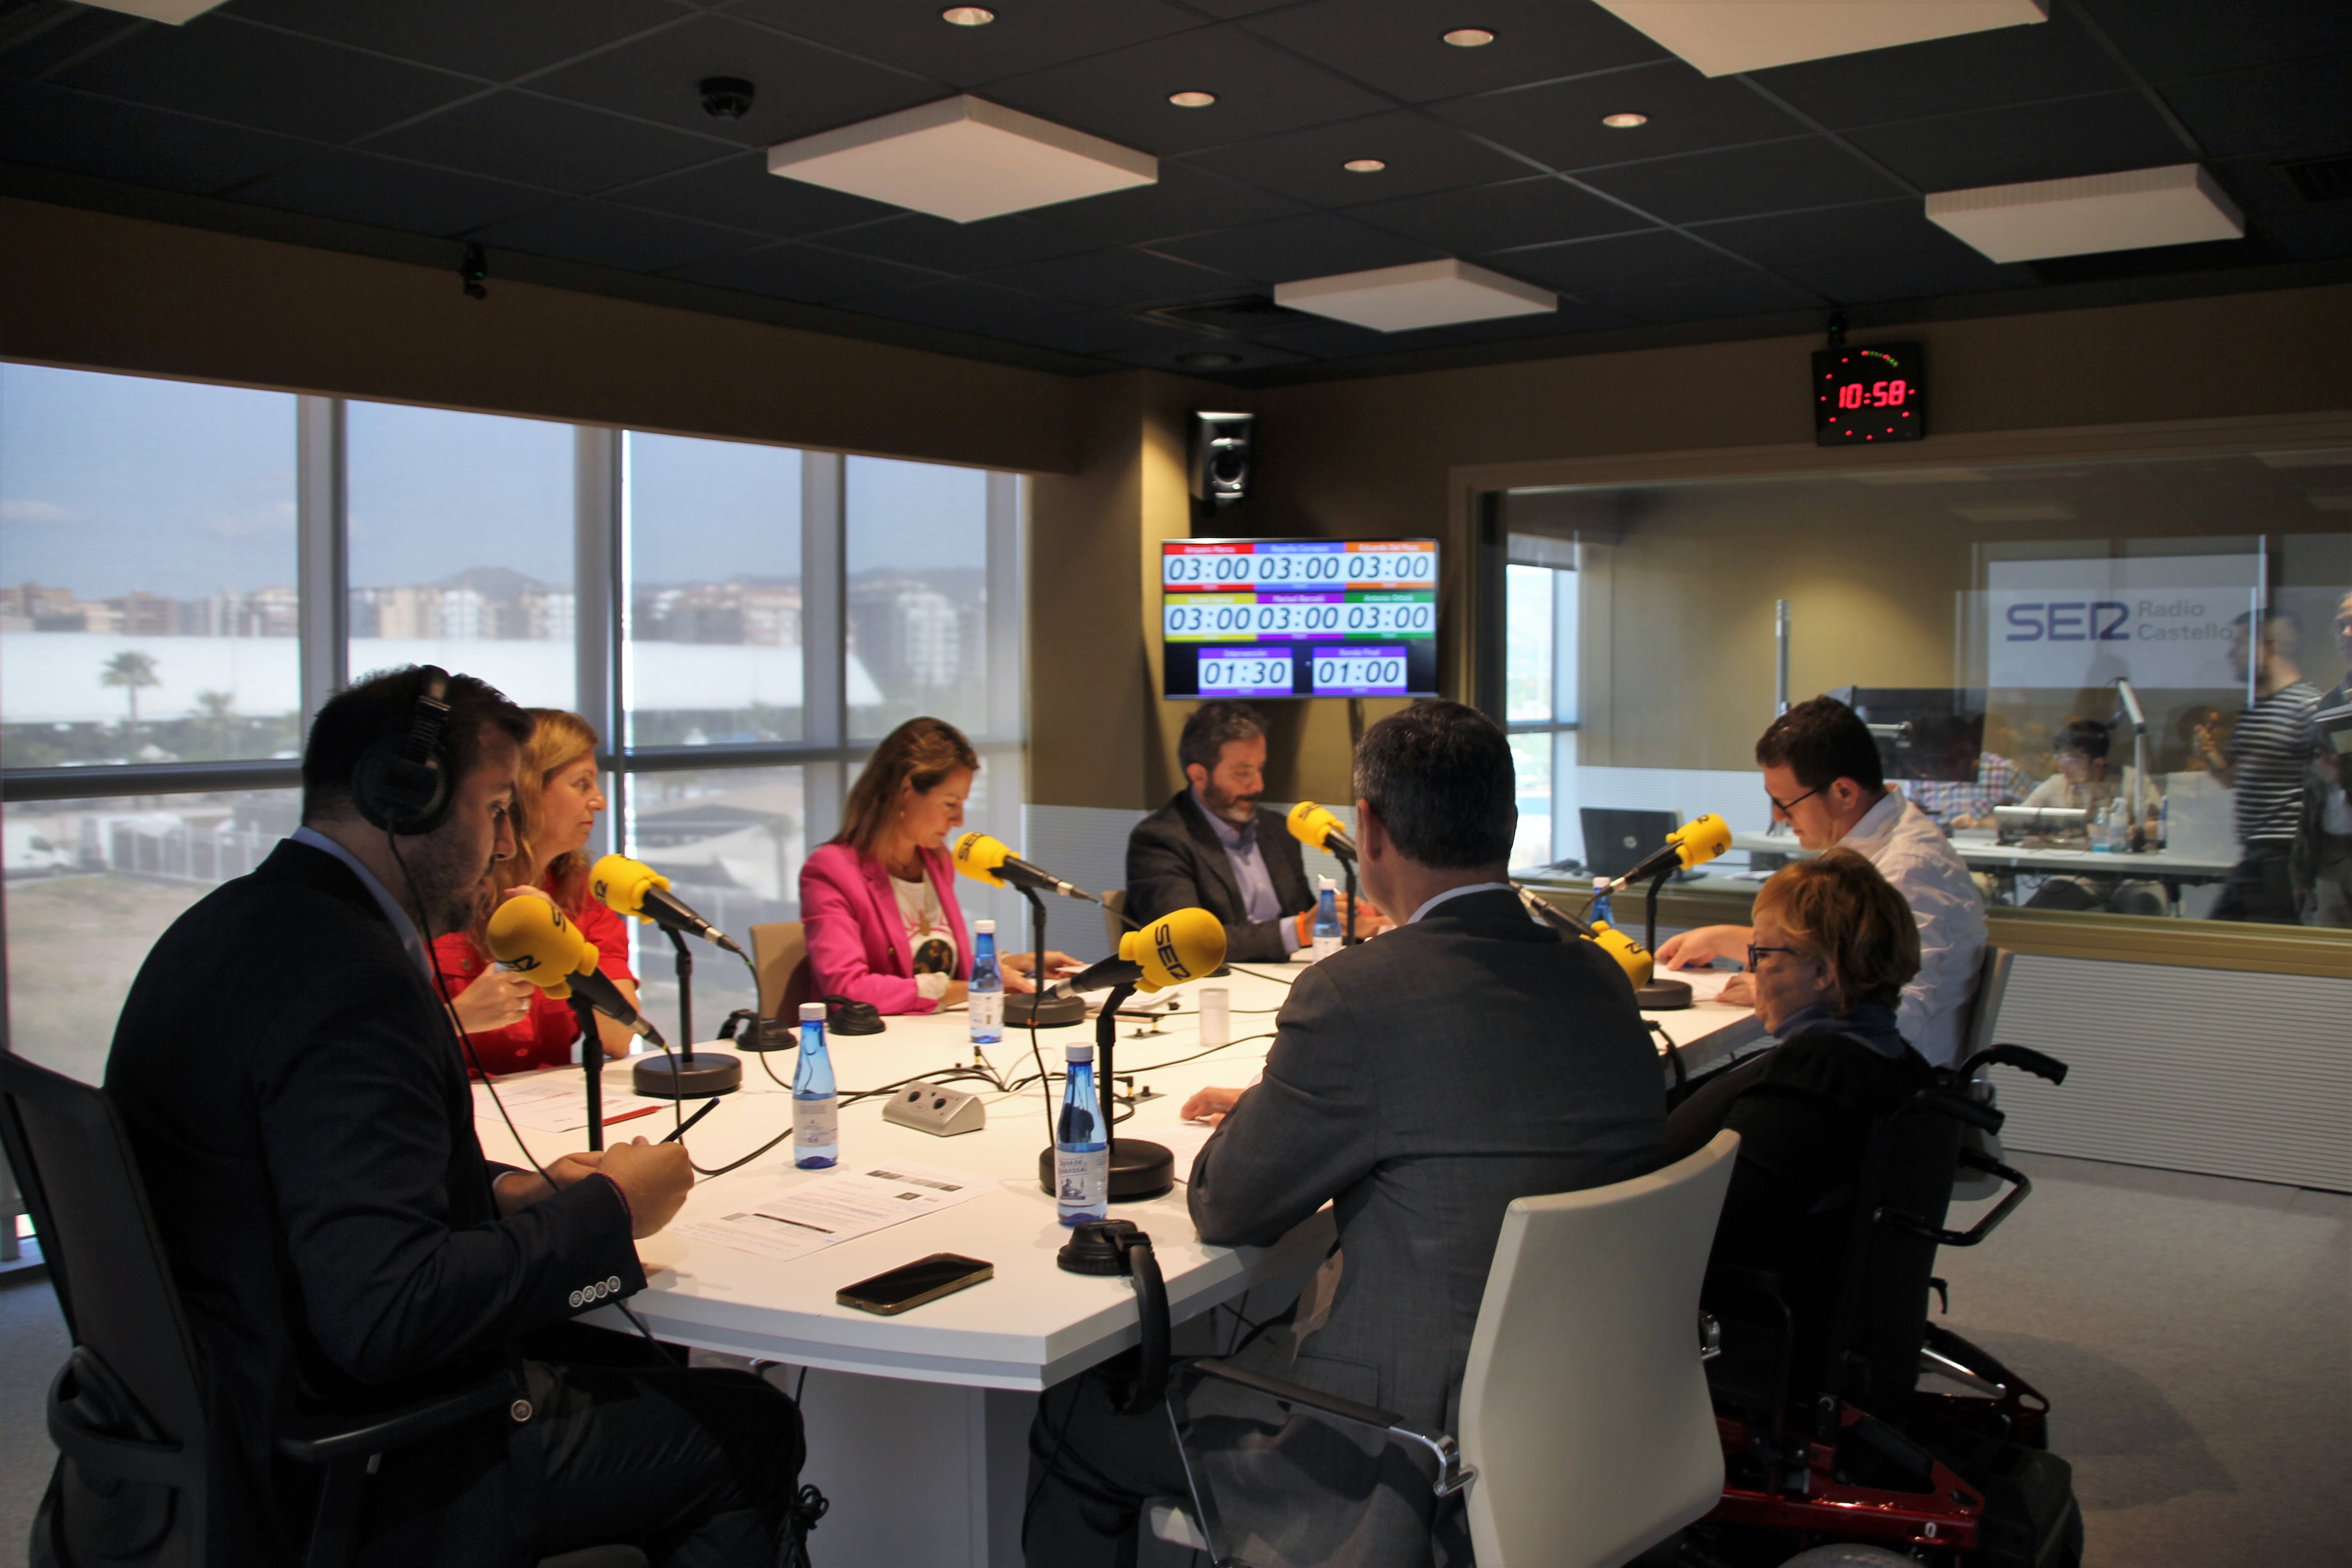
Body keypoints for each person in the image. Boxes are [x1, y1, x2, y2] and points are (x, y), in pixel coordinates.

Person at [100, 666, 803, 1566]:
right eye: (496, 807)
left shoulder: (232, 925)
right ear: (407, 798)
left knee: (633, 1353)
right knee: (751, 1424)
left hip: (222, 1406)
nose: (505, 841)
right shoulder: (352, 986)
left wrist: (513, 1190)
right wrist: (610, 1214)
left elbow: (304, 1176)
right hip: (352, 1455)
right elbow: (390, 1314)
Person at [1025, 700, 1663, 1568]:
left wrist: (1283, 1100)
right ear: (1507, 823)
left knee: (1075, 1418)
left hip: (1392, 1445)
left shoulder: (1357, 996)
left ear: (1369, 829)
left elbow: (1224, 1203)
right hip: (1576, 1414)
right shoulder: (1596, 974)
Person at [1660, 849, 1933, 1387]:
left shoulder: (1817, 1074)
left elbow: (1717, 1224)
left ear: (1824, 974)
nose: (1751, 969)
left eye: (1762, 954)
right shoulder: (1895, 1063)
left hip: (1716, 1316)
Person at [1659, 696, 1985, 1068]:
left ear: (1844, 792)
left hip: (1886, 1094)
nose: (1779, 817)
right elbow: (1842, 950)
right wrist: (1723, 938)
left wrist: (1789, 994)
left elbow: (1899, 1013)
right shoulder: (1875, 840)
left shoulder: (1909, 868)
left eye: (1787, 802)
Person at [801, 716, 1070, 1014]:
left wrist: (1015, 964)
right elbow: (847, 991)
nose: (959, 821)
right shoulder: (831, 871)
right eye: (950, 804)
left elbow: (943, 972)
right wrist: (978, 985)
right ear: (905, 791)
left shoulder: (936, 860)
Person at [432, 708, 642, 1075]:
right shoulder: (437, 896)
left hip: (551, 1114)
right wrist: (455, 1019)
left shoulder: (582, 895)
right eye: (582, 784)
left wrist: (562, 942)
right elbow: (366, 1046)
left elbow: (620, 1037)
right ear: (527, 790)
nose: (600, 801)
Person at [1126, 700, 1386, 962]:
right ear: (1199, 776)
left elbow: (1306, 918)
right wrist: (1298, 930)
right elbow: (1186, 943)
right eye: (1243, 773)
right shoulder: (1159, 840)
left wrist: (1346, 925)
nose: (1257, 785)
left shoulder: (1276, 829)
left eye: (1260, 769)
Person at [2195, 609, 2321, 924]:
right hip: (2254, 855)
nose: (2231, 654)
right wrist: (2210, 756)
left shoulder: (2308, 707)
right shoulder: (2255, 710)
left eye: (2240, 644)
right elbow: (2232, 779)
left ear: (2269, 646)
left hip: (2284, 857)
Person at [2291, 591, 2352, 927]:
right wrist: (2302, 871)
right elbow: (2312, 795)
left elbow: (2337, 773)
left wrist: (2343, 776)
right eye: (2340, 625)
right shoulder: (2330, 705)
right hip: (2332, 860)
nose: (2346, 634)